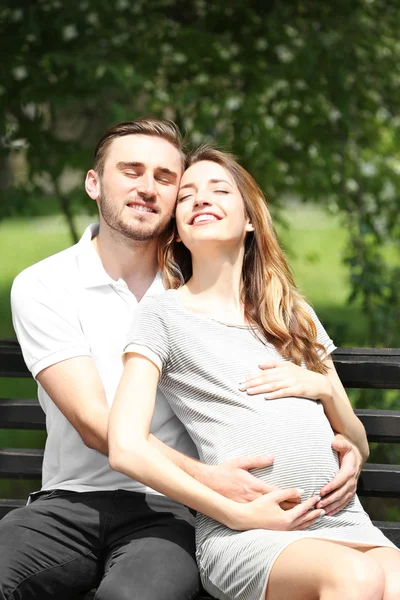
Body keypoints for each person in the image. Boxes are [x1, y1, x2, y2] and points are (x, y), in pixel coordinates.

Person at [3, 118, 361, 600]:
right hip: (69, 501)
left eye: (165, 178)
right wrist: (212, 482)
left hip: (168, 509)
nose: (147, 188)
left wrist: (341, 445)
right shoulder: (45, 285)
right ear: (94, 183)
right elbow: (94, 424)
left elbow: (279, 387)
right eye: (131, 171)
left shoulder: (201, 290)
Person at [109, 145, 400, 600]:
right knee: (356, 578)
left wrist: (325, 388)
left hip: (340, 520)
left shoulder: (291, 313)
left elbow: (358, 441)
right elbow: (125, 446)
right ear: (179, 231)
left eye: (219, 189)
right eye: (186, 196)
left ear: (249, 220)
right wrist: (236, 514)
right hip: (247, 533)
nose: (200, 199)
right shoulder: (162, 314)